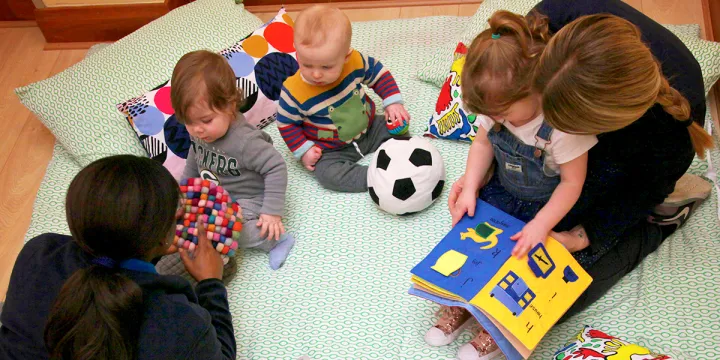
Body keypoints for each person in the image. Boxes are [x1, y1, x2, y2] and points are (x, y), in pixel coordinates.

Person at [442, 1, 714, 359]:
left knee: (562, 282)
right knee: (497, 231)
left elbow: (636, 189)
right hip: (569, 156)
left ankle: (663, 221)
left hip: (634, 169)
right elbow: (499, 101)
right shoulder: (547, 22)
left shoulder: (665, 136)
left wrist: (579, 237)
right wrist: (476, 177)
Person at [424, 10, 597, 360]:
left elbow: (572, 183)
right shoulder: (496, 104)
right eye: (493, 114)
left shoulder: (564, 126)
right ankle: (462, 302)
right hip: (502, 192)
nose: (497, 119)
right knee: (474, 244)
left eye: (504, 112)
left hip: (545, 208)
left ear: (537, 88)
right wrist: (471, 185)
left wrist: (541, 225)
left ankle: (496, 327)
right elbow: (483, 143)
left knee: (524, 265)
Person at [0, 155, 235, 360]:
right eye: (175, 216)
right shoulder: (182, 323)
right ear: (163, 237)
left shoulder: (39, 252)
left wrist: (148, 253)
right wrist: (211, 283)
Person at [172, 50, 295, 270]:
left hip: (251, 197)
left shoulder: (244, 141)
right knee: (189, 223)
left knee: (236, 230)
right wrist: (186, 189)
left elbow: (276, 167)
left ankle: (277, 241)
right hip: (218, 196)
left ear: (229, 106)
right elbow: (195, 155)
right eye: (189, 122)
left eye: (206, 120)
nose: (197, 129)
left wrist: (271, 211)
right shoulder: (200, 133)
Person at [276, 5, 411, 193]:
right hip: (331, 150)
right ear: (297, 53)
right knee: (328, 176)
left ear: (346, 56)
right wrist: (304, 150)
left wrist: (392, 102)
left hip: (370, 128)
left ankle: (409, 162)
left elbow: (378, 74)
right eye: (306, 64)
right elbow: (286, 124)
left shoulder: (355, 61)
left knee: (399, 131)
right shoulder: (293, 91)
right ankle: (375, 177)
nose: (316, 74)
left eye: (326, 67)